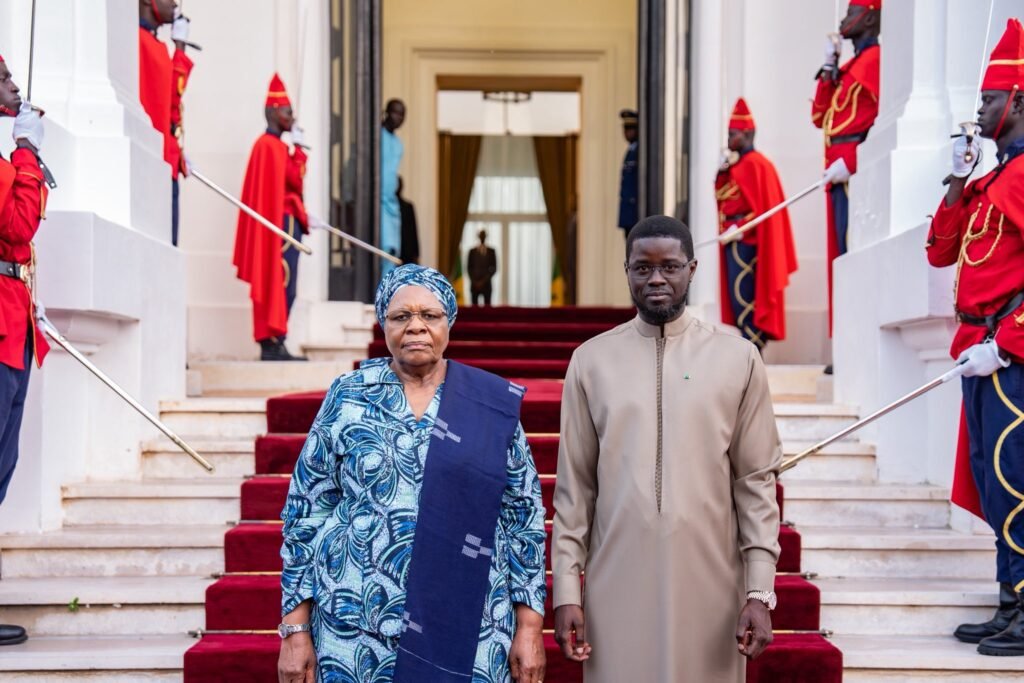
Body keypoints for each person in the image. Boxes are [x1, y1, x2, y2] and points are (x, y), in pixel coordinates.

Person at [277, 265, 546, 683]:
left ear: (449, 322)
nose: (416, 327)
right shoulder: (348, 394)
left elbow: (523, 518)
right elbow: (305, 512)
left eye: (430, 316)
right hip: (355, 626)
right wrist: (295, 630)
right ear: (383, 322)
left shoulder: (488, 403)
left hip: (472, 623)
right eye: (401, 316)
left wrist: (529, 628)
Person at [551, 216, 782, 682]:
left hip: (712, 585)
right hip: (615, 585)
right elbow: (575, 489)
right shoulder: (591, 361)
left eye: (670, 267)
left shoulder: (738, 359)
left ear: (692, 270)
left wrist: (759, 591)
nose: (656, 279)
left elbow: (755, 482)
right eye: (643, 268)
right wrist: (566, 593)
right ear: (627, 271)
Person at [926, 18, 1024, 657]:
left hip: (1011, 354)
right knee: (993, 476)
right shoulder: (993, 181)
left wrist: (1011, 340)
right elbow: (941, 253)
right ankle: (1010, 599)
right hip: (979, 352)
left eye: (989, 99)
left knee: (1018, 476)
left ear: (1017, 101)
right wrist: (960, 180)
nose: (980, 110)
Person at [0, 55, 51, 646]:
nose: (17, 89)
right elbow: (18, 227)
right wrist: (27, 153)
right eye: (8, 81)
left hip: (13, 321)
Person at [811, 0, 880, 339]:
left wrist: (852, 162)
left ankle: (851, 337)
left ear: (869, 16)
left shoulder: (876, 61)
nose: (844, 19)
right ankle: (842, 340)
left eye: (851, 12)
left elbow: (879, 122)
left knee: (848, 254)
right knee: (838, 257)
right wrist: (828, 67)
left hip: (851, 173)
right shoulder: (852, 66)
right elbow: (818, 117)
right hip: (835, 173)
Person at [232, 74, 308, 362]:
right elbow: (295, 180)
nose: (292, 117)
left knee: (287, 284)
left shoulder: (275, 147)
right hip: (279, 228)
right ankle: (272, 342)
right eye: (288, 111)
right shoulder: (269, 147)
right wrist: (299, 153)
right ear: (276, 112)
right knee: (280, 281)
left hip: (286, 224)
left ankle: (278, 339)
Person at [715, 98, 798, 352]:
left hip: (749, 245)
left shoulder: (758, 166)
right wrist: (722, 174)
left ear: (748, 133)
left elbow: (764, 212)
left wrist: (738, 226)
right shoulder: (738, 166)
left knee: (747, 300)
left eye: (733, 134)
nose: (729, 138)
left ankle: (753, 353)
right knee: (737, 299)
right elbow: (726, 200)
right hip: (733, 239)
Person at [138, 0, 194, 246]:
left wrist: (179, 47)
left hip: (168, 158)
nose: (175, 4)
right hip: (154, 160)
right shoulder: (139, 41)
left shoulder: (155, 44)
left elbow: (170, 102)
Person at [380, 99, 406, 276]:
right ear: (386, 112)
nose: (399, 118)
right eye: (396, 112)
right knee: (382, 249)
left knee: (392, 252)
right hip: (377, 202)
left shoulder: (398, 144)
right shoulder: (376, 135)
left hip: (391, 203)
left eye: (402, 114)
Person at [617, 109, 638, 233]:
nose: (626, 132)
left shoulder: (638, 152)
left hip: (634, 213)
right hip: (628, 214)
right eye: (625, 129)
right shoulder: (630, 151)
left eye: (630, 128)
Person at [467, 229, 497, 306]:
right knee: (474, 311)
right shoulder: (472, 251)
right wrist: (475, 282)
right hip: (474, 285)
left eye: (483, 235)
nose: (482, 237)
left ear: (486, 237)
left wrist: (483, 281)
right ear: (478, 237)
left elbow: (494, 268)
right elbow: (469, 268)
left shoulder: (491, 251)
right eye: (481, 235)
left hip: (487, 285)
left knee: (487, 311)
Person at [397, 176, 420, 265]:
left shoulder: (408, 206)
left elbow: (414, 231)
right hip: (393, 253)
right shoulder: (386, 208)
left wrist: (416, 254)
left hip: (407, 254)